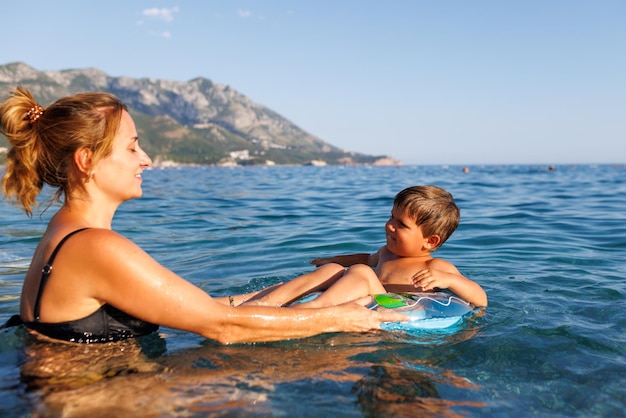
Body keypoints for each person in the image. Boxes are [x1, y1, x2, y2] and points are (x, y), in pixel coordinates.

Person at [0, 87, 406, 344]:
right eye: (132, 148)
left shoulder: (69, 233)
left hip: (98, 388)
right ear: (87, 160)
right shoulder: (94, 246)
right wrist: (339, 319)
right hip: (108, 400)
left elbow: (194, 308)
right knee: (340, 365)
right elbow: (222, 327)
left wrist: (297, 287)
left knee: (339, 287)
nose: (146, 159)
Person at [242, 185, 488, 308]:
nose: (389, 225)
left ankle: (306, 311)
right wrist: (333, 260)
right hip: (372, 303)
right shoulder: (385, 253)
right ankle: (262, 305)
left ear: (430, 241)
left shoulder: (434, 266)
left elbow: (481, 299)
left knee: (360, 273)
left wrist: (450, 281)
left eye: (400, 224)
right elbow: (364, 258)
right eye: (391, 217)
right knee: (335, 271)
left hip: (400, 310)